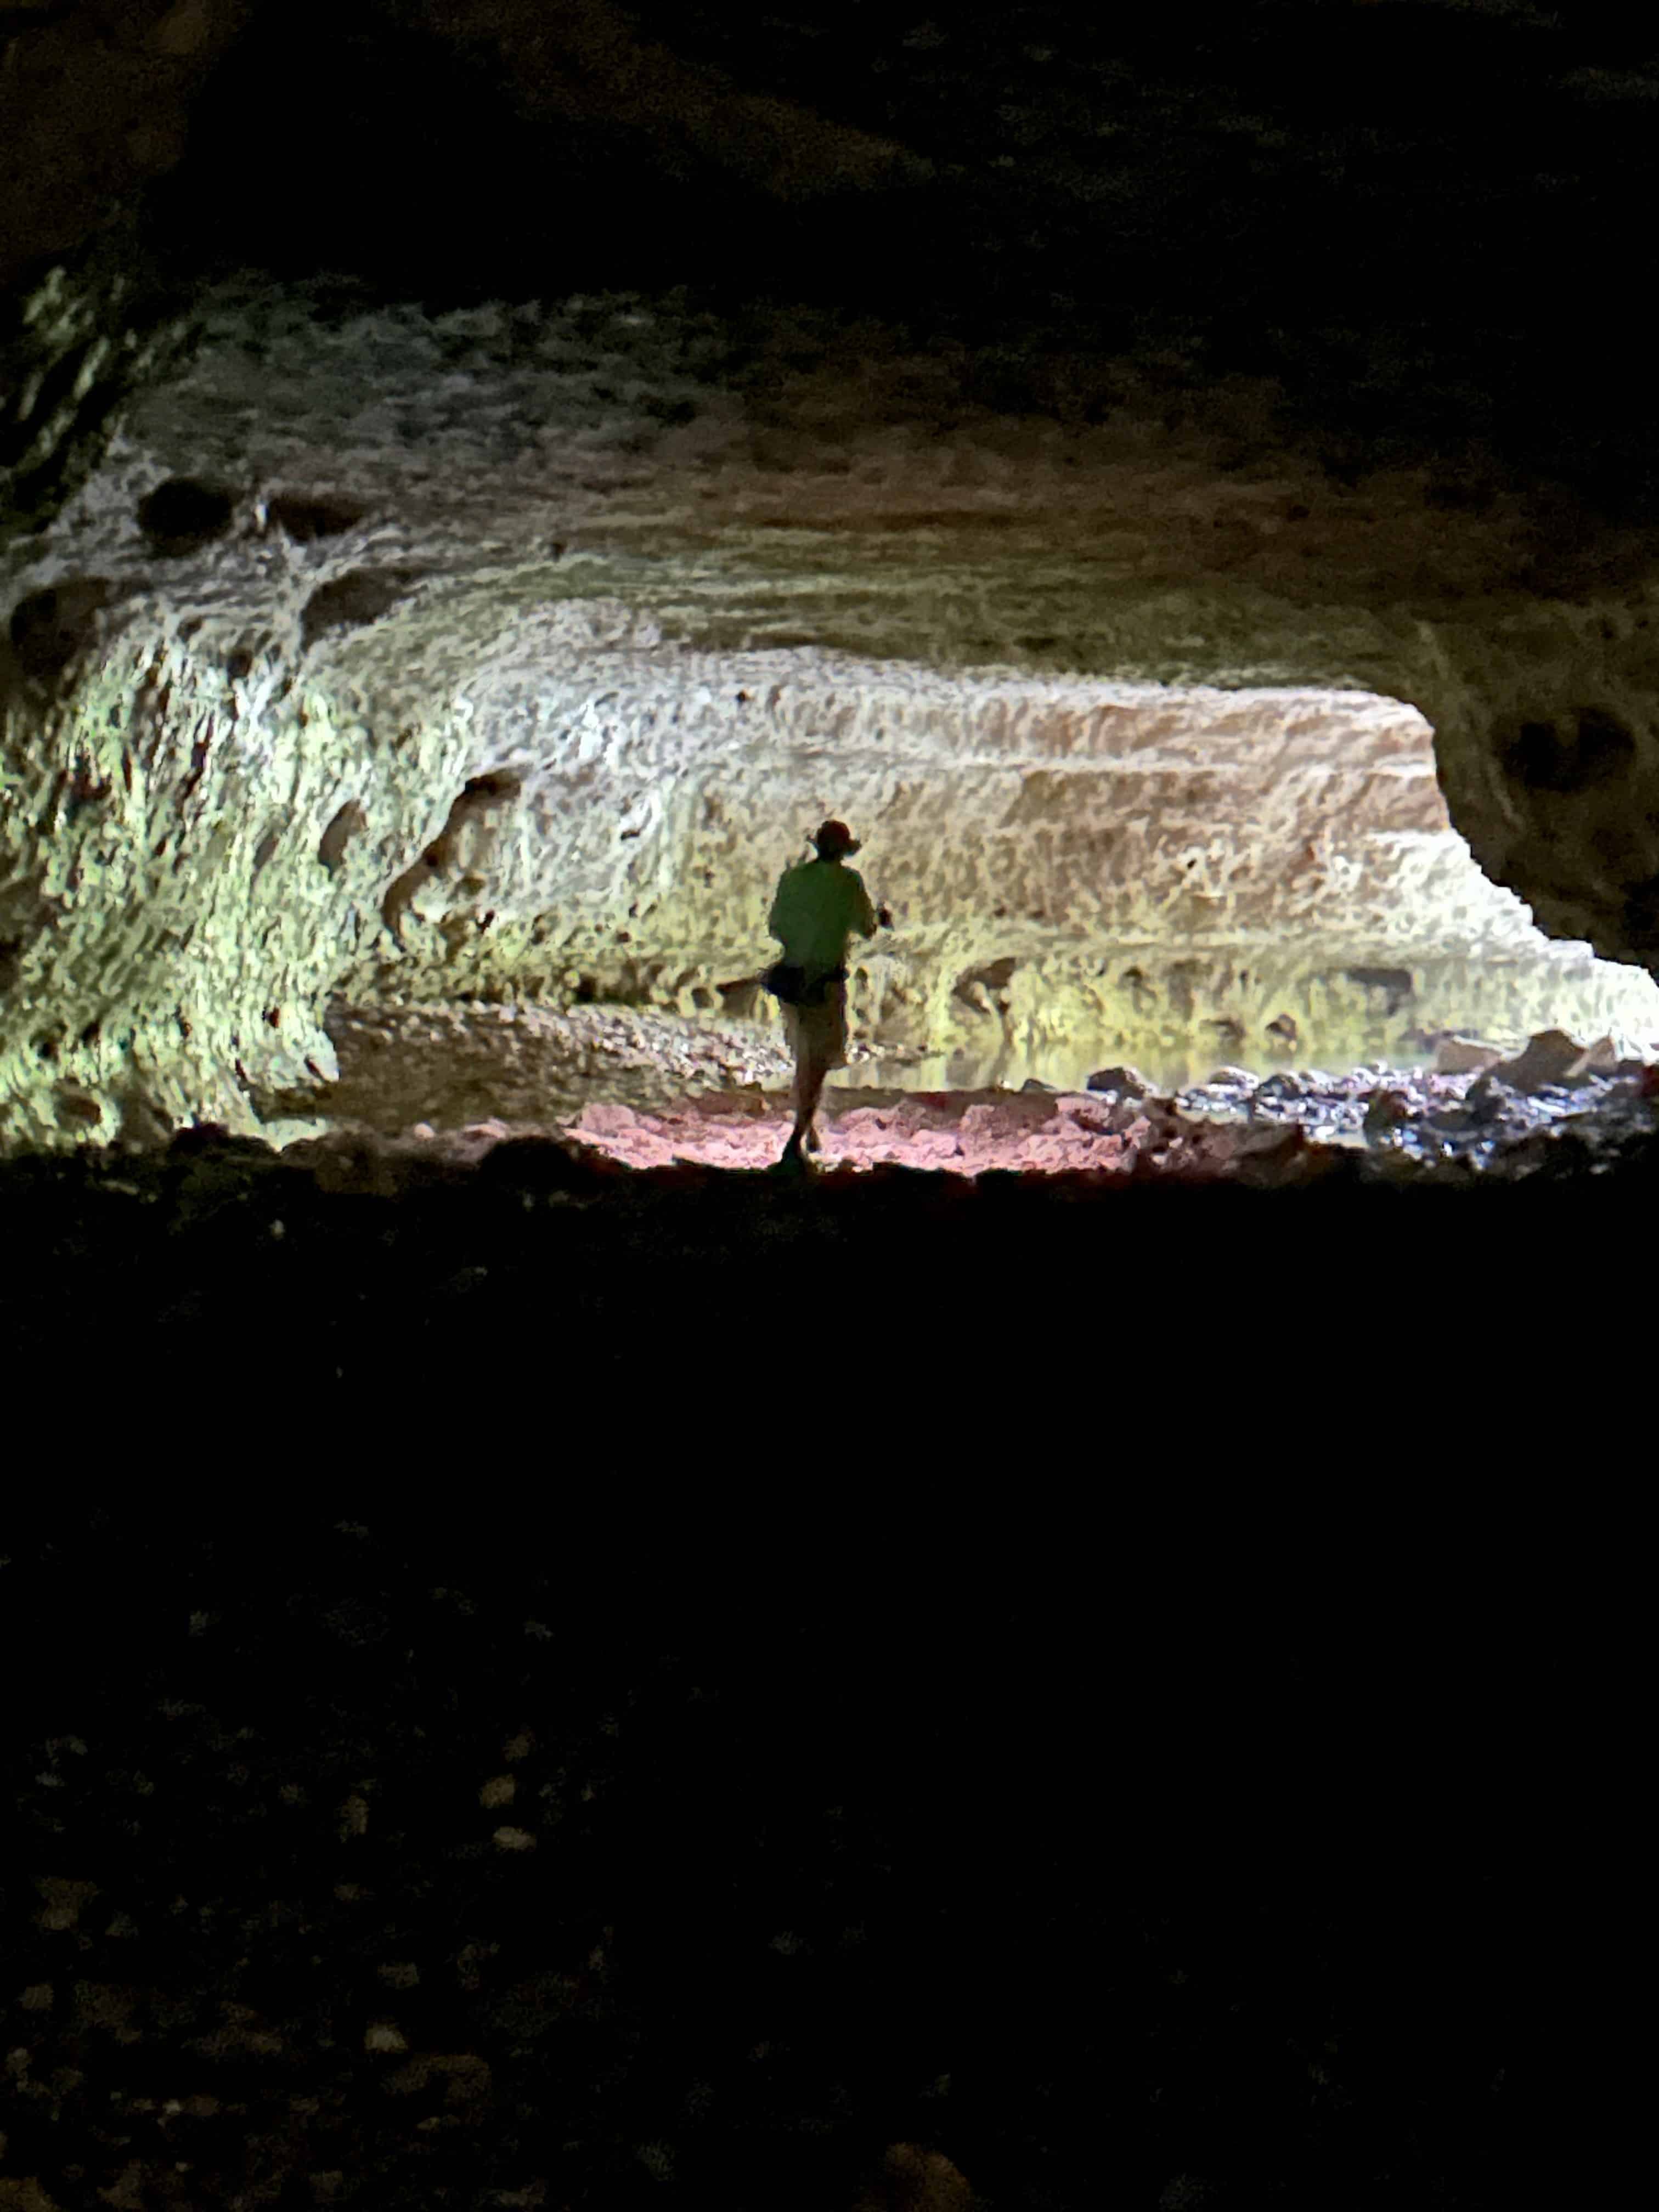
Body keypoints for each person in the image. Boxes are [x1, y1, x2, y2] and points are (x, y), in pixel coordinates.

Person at [764, 819, 890, 1169]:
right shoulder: (849, 883)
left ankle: (808, 1129)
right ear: (845, 851)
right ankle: (796, 1139)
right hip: (824, 981)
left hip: (790, 978)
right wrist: (880, 918)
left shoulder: (792, 879)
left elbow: (776, 927)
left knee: (805, 1056)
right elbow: (866, 929)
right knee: (818, 1060)